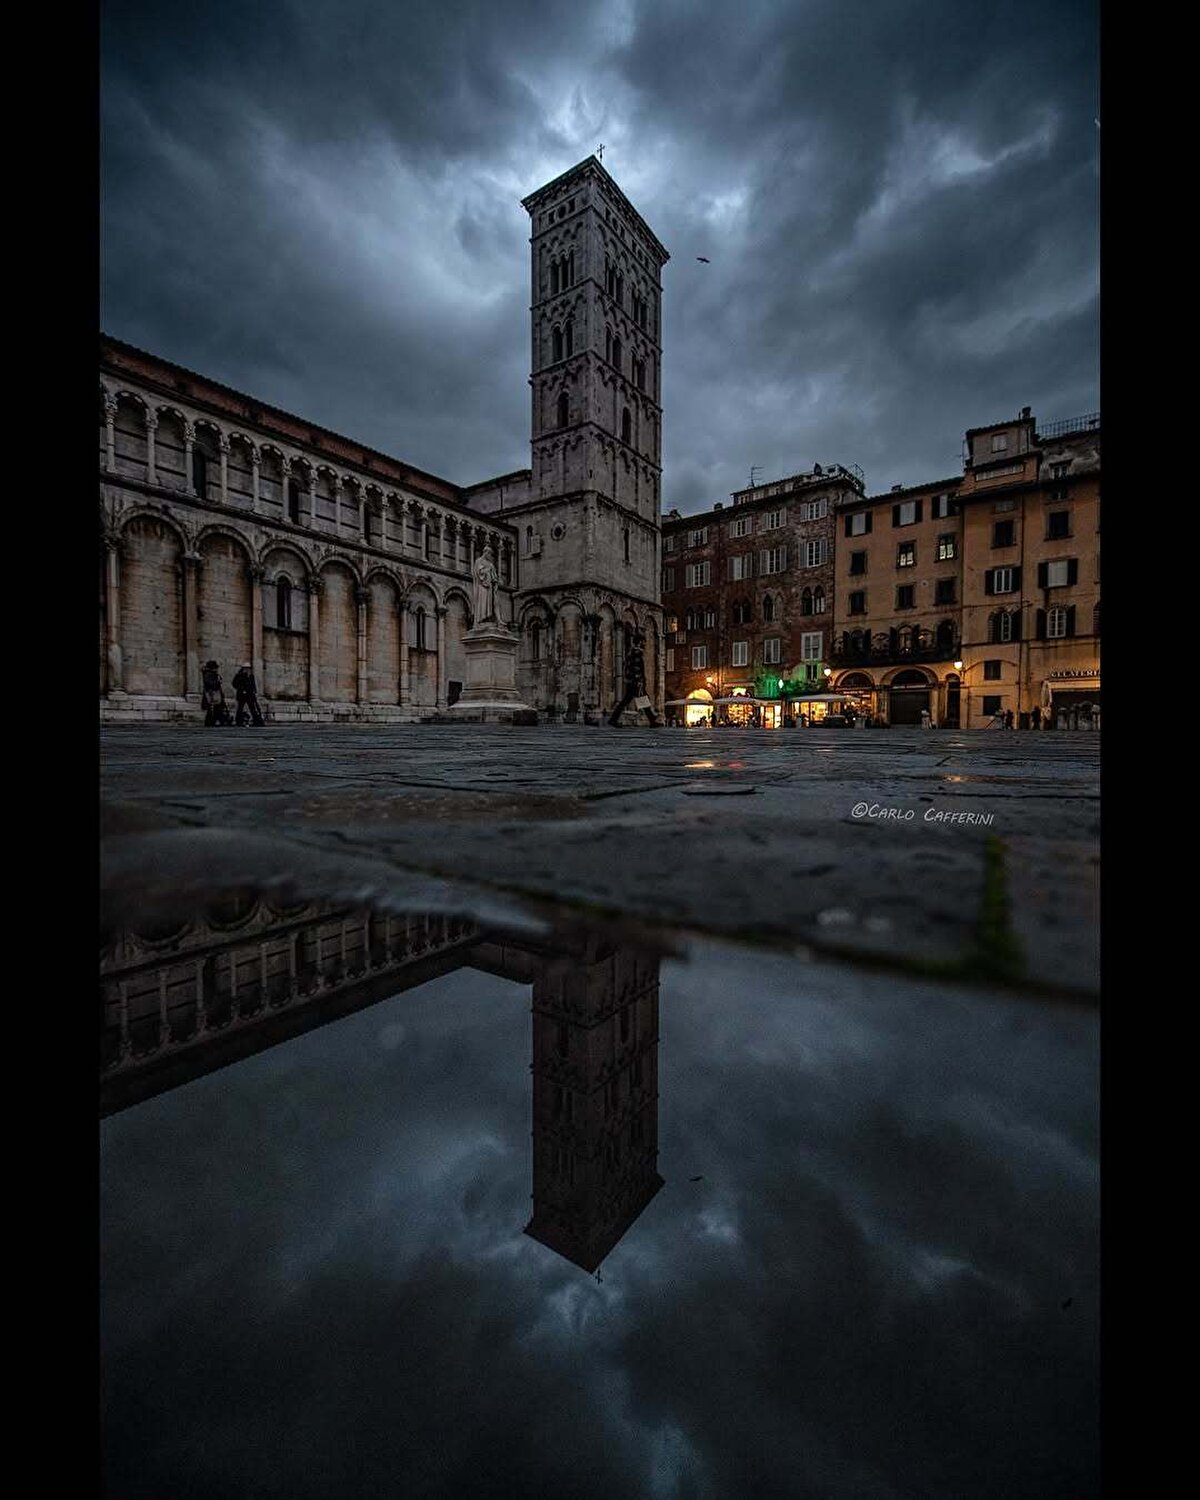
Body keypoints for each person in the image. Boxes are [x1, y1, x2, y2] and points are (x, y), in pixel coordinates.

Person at [607, 629, 661, 727]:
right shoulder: (636, 653)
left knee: (637, 700)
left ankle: (652, 719)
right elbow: (636, 668)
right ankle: (613, 719)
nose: (644, 644)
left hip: (632, 681)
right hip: (636, 682)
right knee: (636, 700)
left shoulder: (631, 652)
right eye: (643, 642)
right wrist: (639, 680)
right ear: (640, 642)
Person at [201, 660, 232, 727]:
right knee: (212, 710)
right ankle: (210, 723)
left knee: (216, 709)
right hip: (211, 695)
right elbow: (211, 684)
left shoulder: (212, 674)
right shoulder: (208, 674)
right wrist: (218, 681)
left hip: (215, 694)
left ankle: (215, 722)